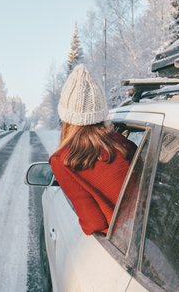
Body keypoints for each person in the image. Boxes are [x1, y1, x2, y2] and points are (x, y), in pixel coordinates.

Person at [49, 64, 137, 236]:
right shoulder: (124, 145)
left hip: (121, 240)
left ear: (66, 117)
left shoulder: (62, 161)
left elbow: (93, 224)